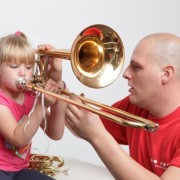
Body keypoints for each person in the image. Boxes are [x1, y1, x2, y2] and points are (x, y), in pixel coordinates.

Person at [65, 33, 180, 179]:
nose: (125, 74)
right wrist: (57, 88)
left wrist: (97, 136)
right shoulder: (137, 106)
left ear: (166, 74)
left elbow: (94, 131)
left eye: (136, 67)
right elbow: (81, 124)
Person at [0, 32, 66, 179]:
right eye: (14, 66)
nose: (23, 73)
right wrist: (39, 106)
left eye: (29, 67)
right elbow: (17, 139)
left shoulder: (30, 95)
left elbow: (55, 133)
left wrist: (57, 80)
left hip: (20, 170)